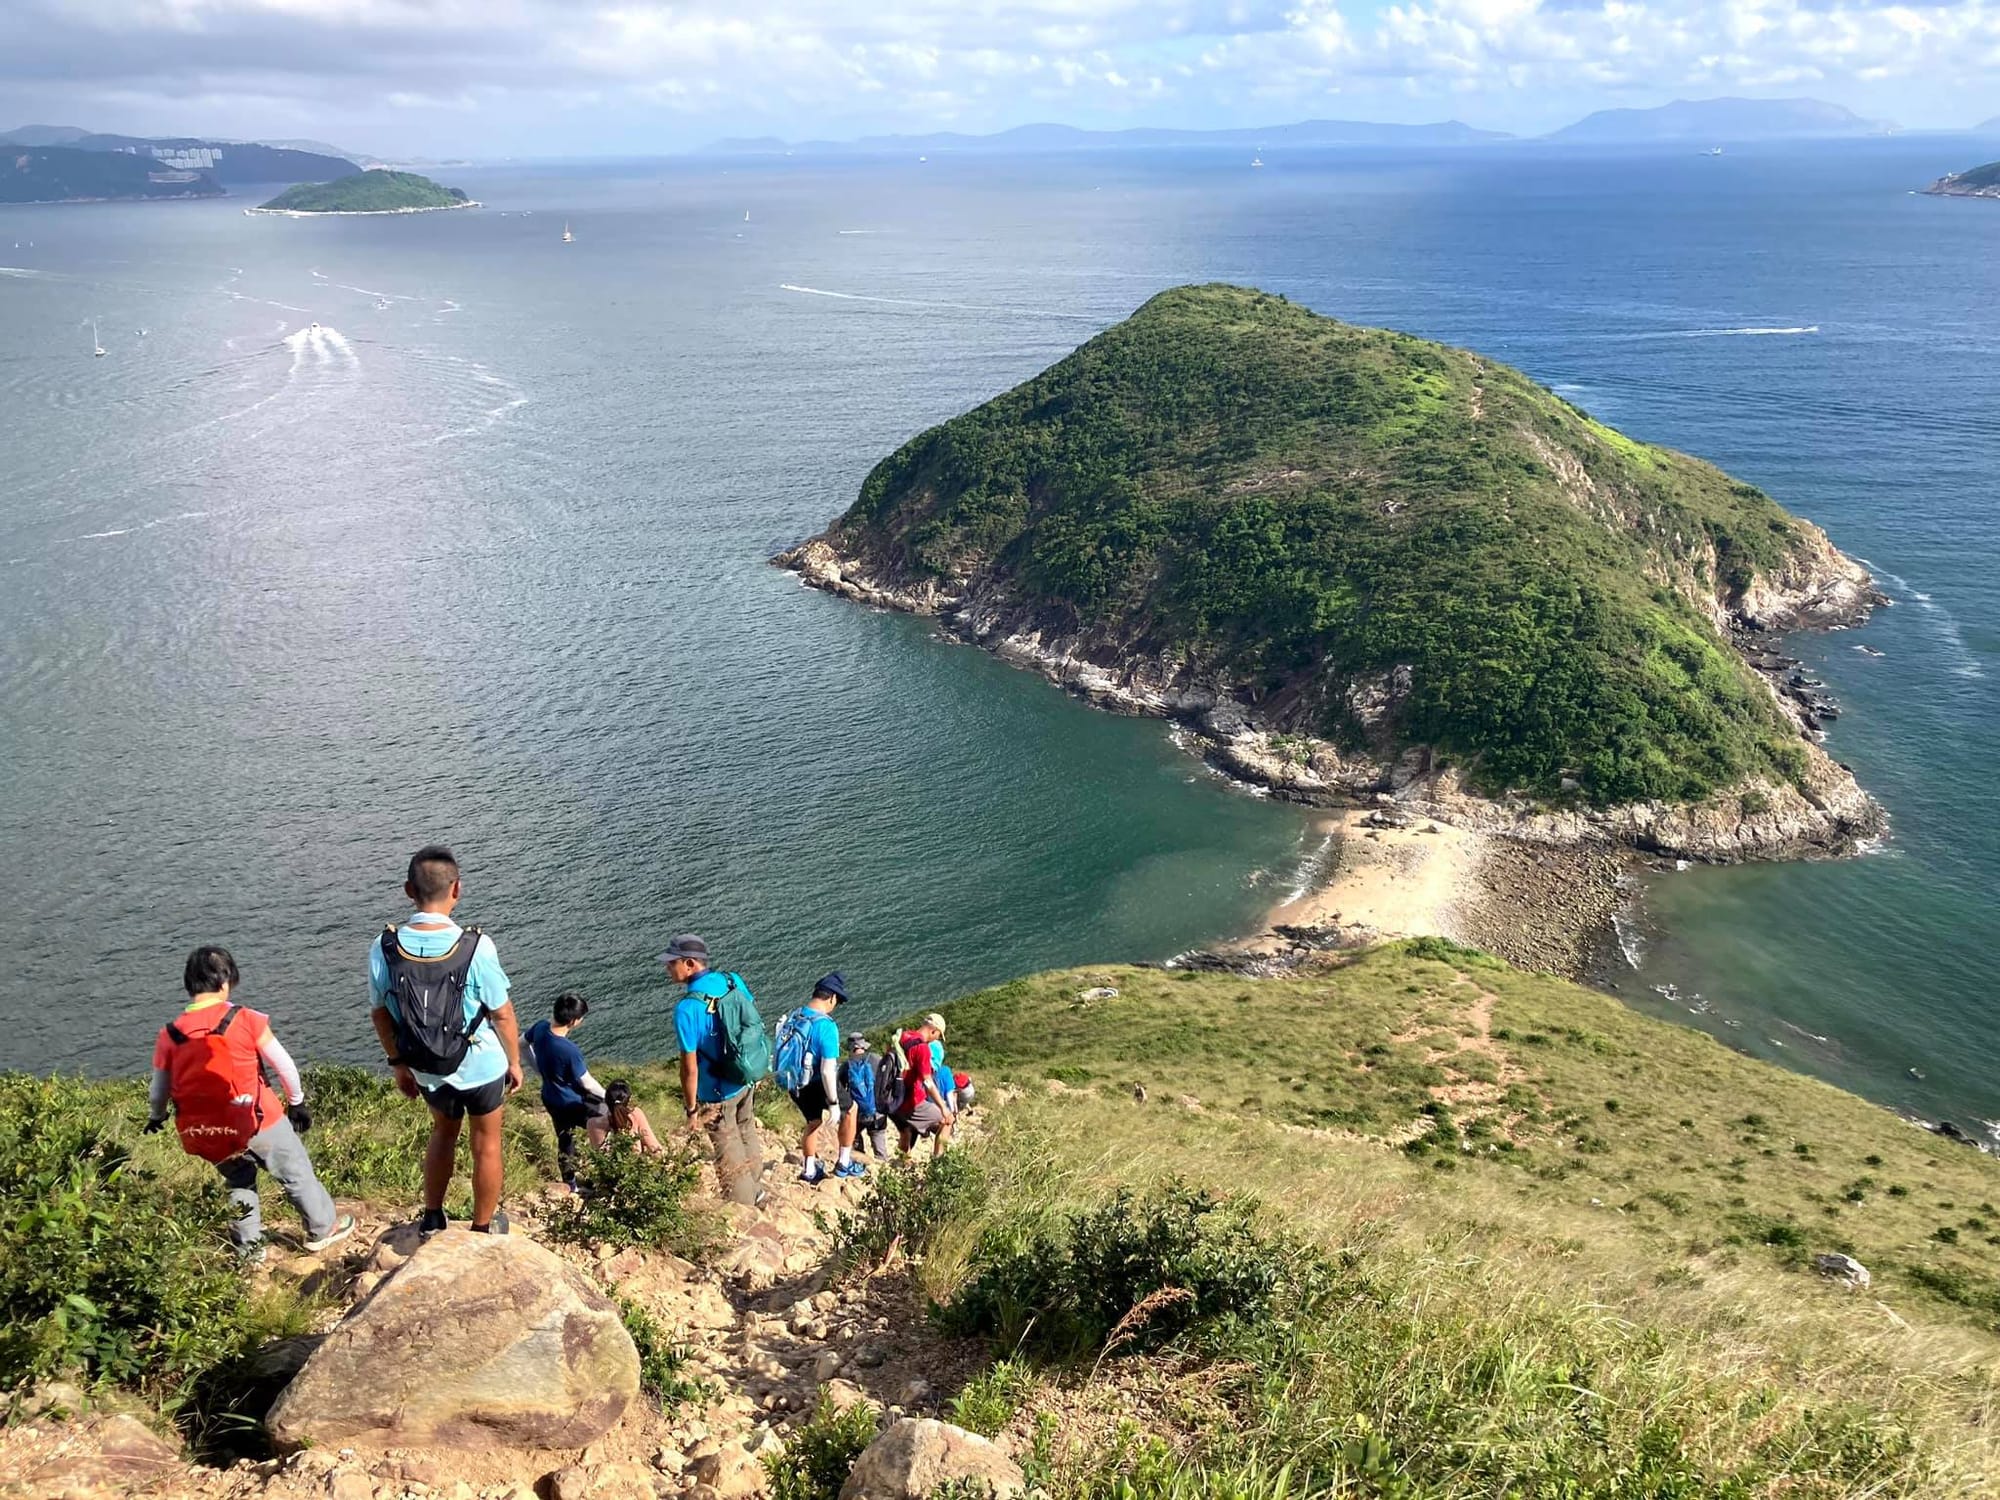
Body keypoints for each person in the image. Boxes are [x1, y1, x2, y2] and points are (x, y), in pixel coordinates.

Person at [148, 945, 354, 1260]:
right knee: (295, 1171)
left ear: (190, 984)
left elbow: (158, 1089)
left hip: (209, 1129)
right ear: (226, 980)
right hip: (260, 1119)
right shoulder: (244, 1018)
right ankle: (322, 1229)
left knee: (238, 1180)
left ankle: (250, 1252)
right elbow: (284, 1065)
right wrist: (296, 1102)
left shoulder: (170, 1034)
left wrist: (157, 1115)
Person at [369, 845, 523, 1237]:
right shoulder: (476, 946)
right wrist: (516, 1063)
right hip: (481, 1066)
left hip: (427, 1068)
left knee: (443, 1132)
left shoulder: (385, 947)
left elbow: (381, 1014)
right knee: (486, 1143)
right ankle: (482, 1226)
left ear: (408, 889)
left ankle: (433, 1217)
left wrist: (398, 1063)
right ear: (457, 889)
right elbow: (502, 1013)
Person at [664, 933, 764, 1205]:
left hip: (717, 1092)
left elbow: (689, 1068)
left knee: (727, 1148)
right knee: (747, 1129)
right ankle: (757, 1188)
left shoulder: (687, 1008)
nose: (667, 968)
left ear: (689, 963)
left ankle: (742, 1208)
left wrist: (692, 1110)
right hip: (744, 1076)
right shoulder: (732, 980)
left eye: (672, 962)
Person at [524, 991, 609, 1192]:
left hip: (551, 1097)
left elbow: (521, 1044)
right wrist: (610, 1098)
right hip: (573, 1101)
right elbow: (587, 1083)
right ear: (573, 1021)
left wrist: (540, 1071)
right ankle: (607, 1173)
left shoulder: (540, 1028)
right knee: (606, 1118)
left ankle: (570, 1184)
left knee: (565, 1138)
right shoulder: (568, 1049)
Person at [778, 973, 849, 1184]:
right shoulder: (826, 1025)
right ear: (832, 998)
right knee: (851, 1110)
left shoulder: (795, 1016)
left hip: (794, 1081)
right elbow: (828, 1070)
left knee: (813, 1122)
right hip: (817, 1081)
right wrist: (834, 1103)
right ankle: (844, 1163)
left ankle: (809, 1170)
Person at [892, 1012, 955, 1157]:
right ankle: (938, 1161)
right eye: (938, 1035)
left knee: (907, 1128)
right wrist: (944, 1108)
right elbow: (927, 1081)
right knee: (946, 1121)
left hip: (894, 1097)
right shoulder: (922, 1048)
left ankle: (901, 1161)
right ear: (934, 1031)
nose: (936, 1039)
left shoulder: (903, 1036)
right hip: (910, 1101)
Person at [838, 1035, 892, 1161]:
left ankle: (860, 1162)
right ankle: (882, 1164)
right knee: (879, 1142)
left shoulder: (846, 1066)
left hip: (858, 1114)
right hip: (878, 1113)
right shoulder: (877, 1059)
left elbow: (839, 1089)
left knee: (854, 1137)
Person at [603, 1080, 666, 1155]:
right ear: (628, 1099)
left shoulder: (593, 1122)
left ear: (606, 1100)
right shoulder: (635, 1115)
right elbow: (654, 1147)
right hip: (632, 1165)